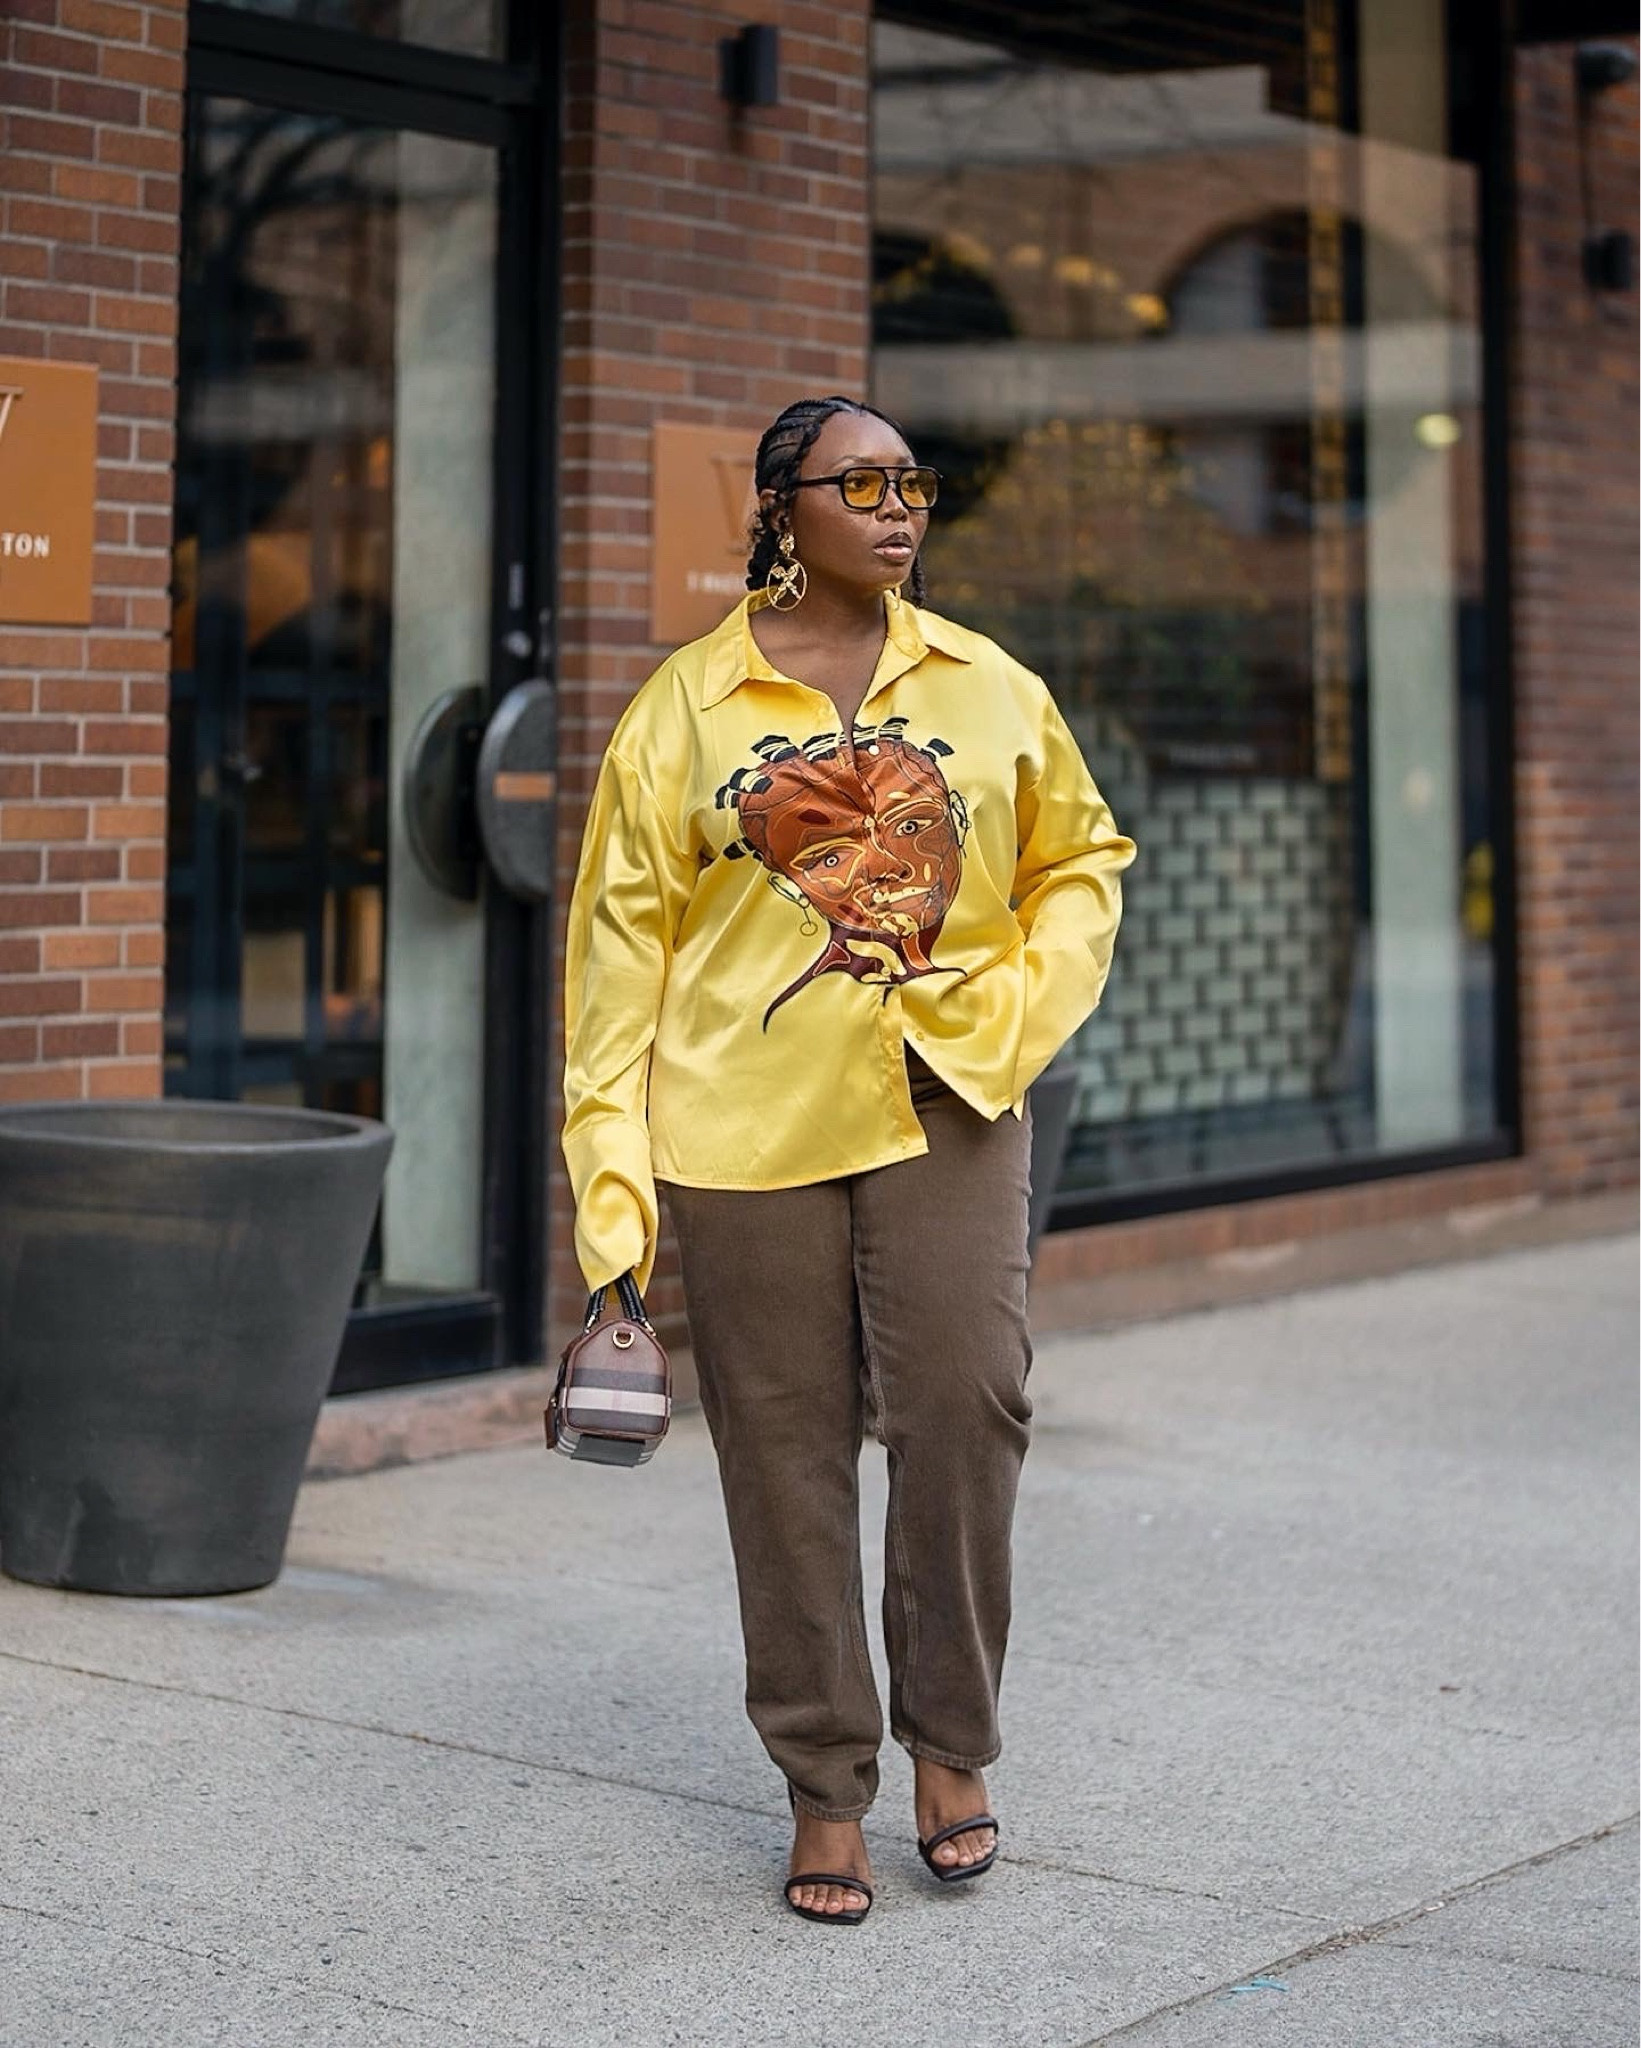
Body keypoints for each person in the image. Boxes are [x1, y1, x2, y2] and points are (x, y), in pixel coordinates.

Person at [562, 394, 1135, 1925]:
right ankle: (824, 1783)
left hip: (947, 1091)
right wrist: (611, 1198)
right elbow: (619, 963)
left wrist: (1008, 1014)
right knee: (784, 1446)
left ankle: (951, 1739)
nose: (896, 510)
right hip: (740, 1120)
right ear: (780, 507)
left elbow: (1082, 860)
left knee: (967, 1400)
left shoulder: (989, 686)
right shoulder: (684, 708)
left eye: (912, 484)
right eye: (859, 483)